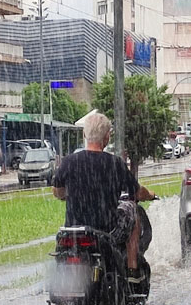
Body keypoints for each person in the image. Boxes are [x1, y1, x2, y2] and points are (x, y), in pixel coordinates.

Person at [52, 113, 156, 286]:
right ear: (107, 137)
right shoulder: (115, 163)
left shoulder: (69, 162)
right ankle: (132, 269)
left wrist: (66, 194)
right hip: (108, 231)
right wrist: (150, 194)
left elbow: (57, 191)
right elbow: (137, 193)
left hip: (74, 230)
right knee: (133, 210)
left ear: (85, 134)